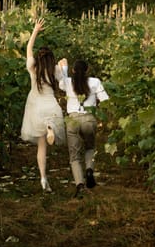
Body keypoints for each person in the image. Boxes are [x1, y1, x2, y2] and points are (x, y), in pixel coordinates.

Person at [20, 18, 66, 193]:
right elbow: (64, 79)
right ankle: (50, 127)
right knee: (50, 125)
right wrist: (64, 65)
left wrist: (35, 30)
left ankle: (43, 178)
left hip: (36, 106)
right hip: (51, 105)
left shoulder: (33, 67)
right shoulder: (54, 70)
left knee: (41, 147)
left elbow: (28, 49)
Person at [58, 57, 110, 198]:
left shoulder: (68, 82)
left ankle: (80, 185)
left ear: (73, 70)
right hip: (88, 118)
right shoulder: (95, 82)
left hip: (72, 119)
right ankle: (89, 170)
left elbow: (61, 82)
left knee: (74, 155)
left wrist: (65, 69)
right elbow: (105, 100)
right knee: (90, 147)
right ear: (88, 70)